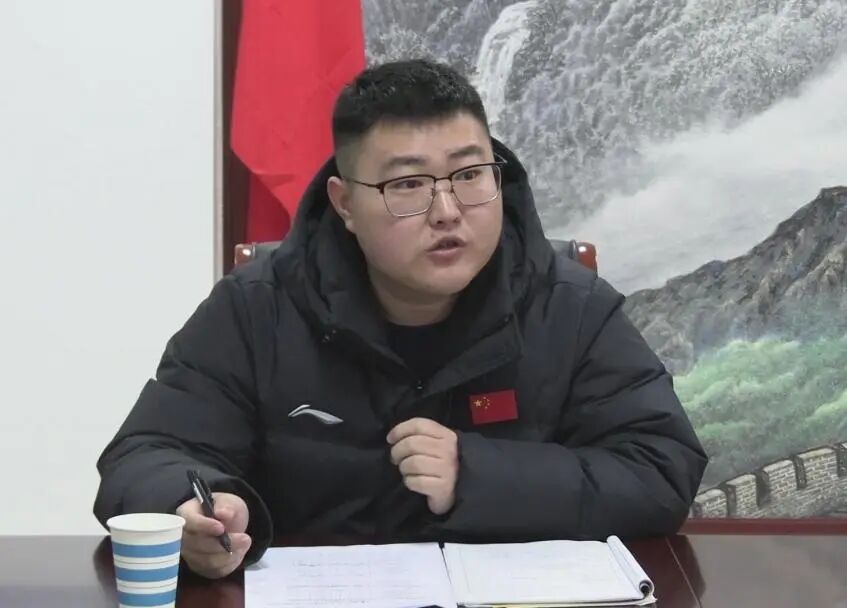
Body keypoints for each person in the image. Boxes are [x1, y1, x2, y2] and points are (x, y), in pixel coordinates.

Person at [94, 59, 707, 579]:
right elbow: (145, 454)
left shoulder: (570, 306)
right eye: (408, 185)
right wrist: (192, 508)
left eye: (470, 175)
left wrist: (478, 475)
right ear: (345, 204)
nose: (448, 210)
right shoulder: (257, 309)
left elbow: (660, 470)